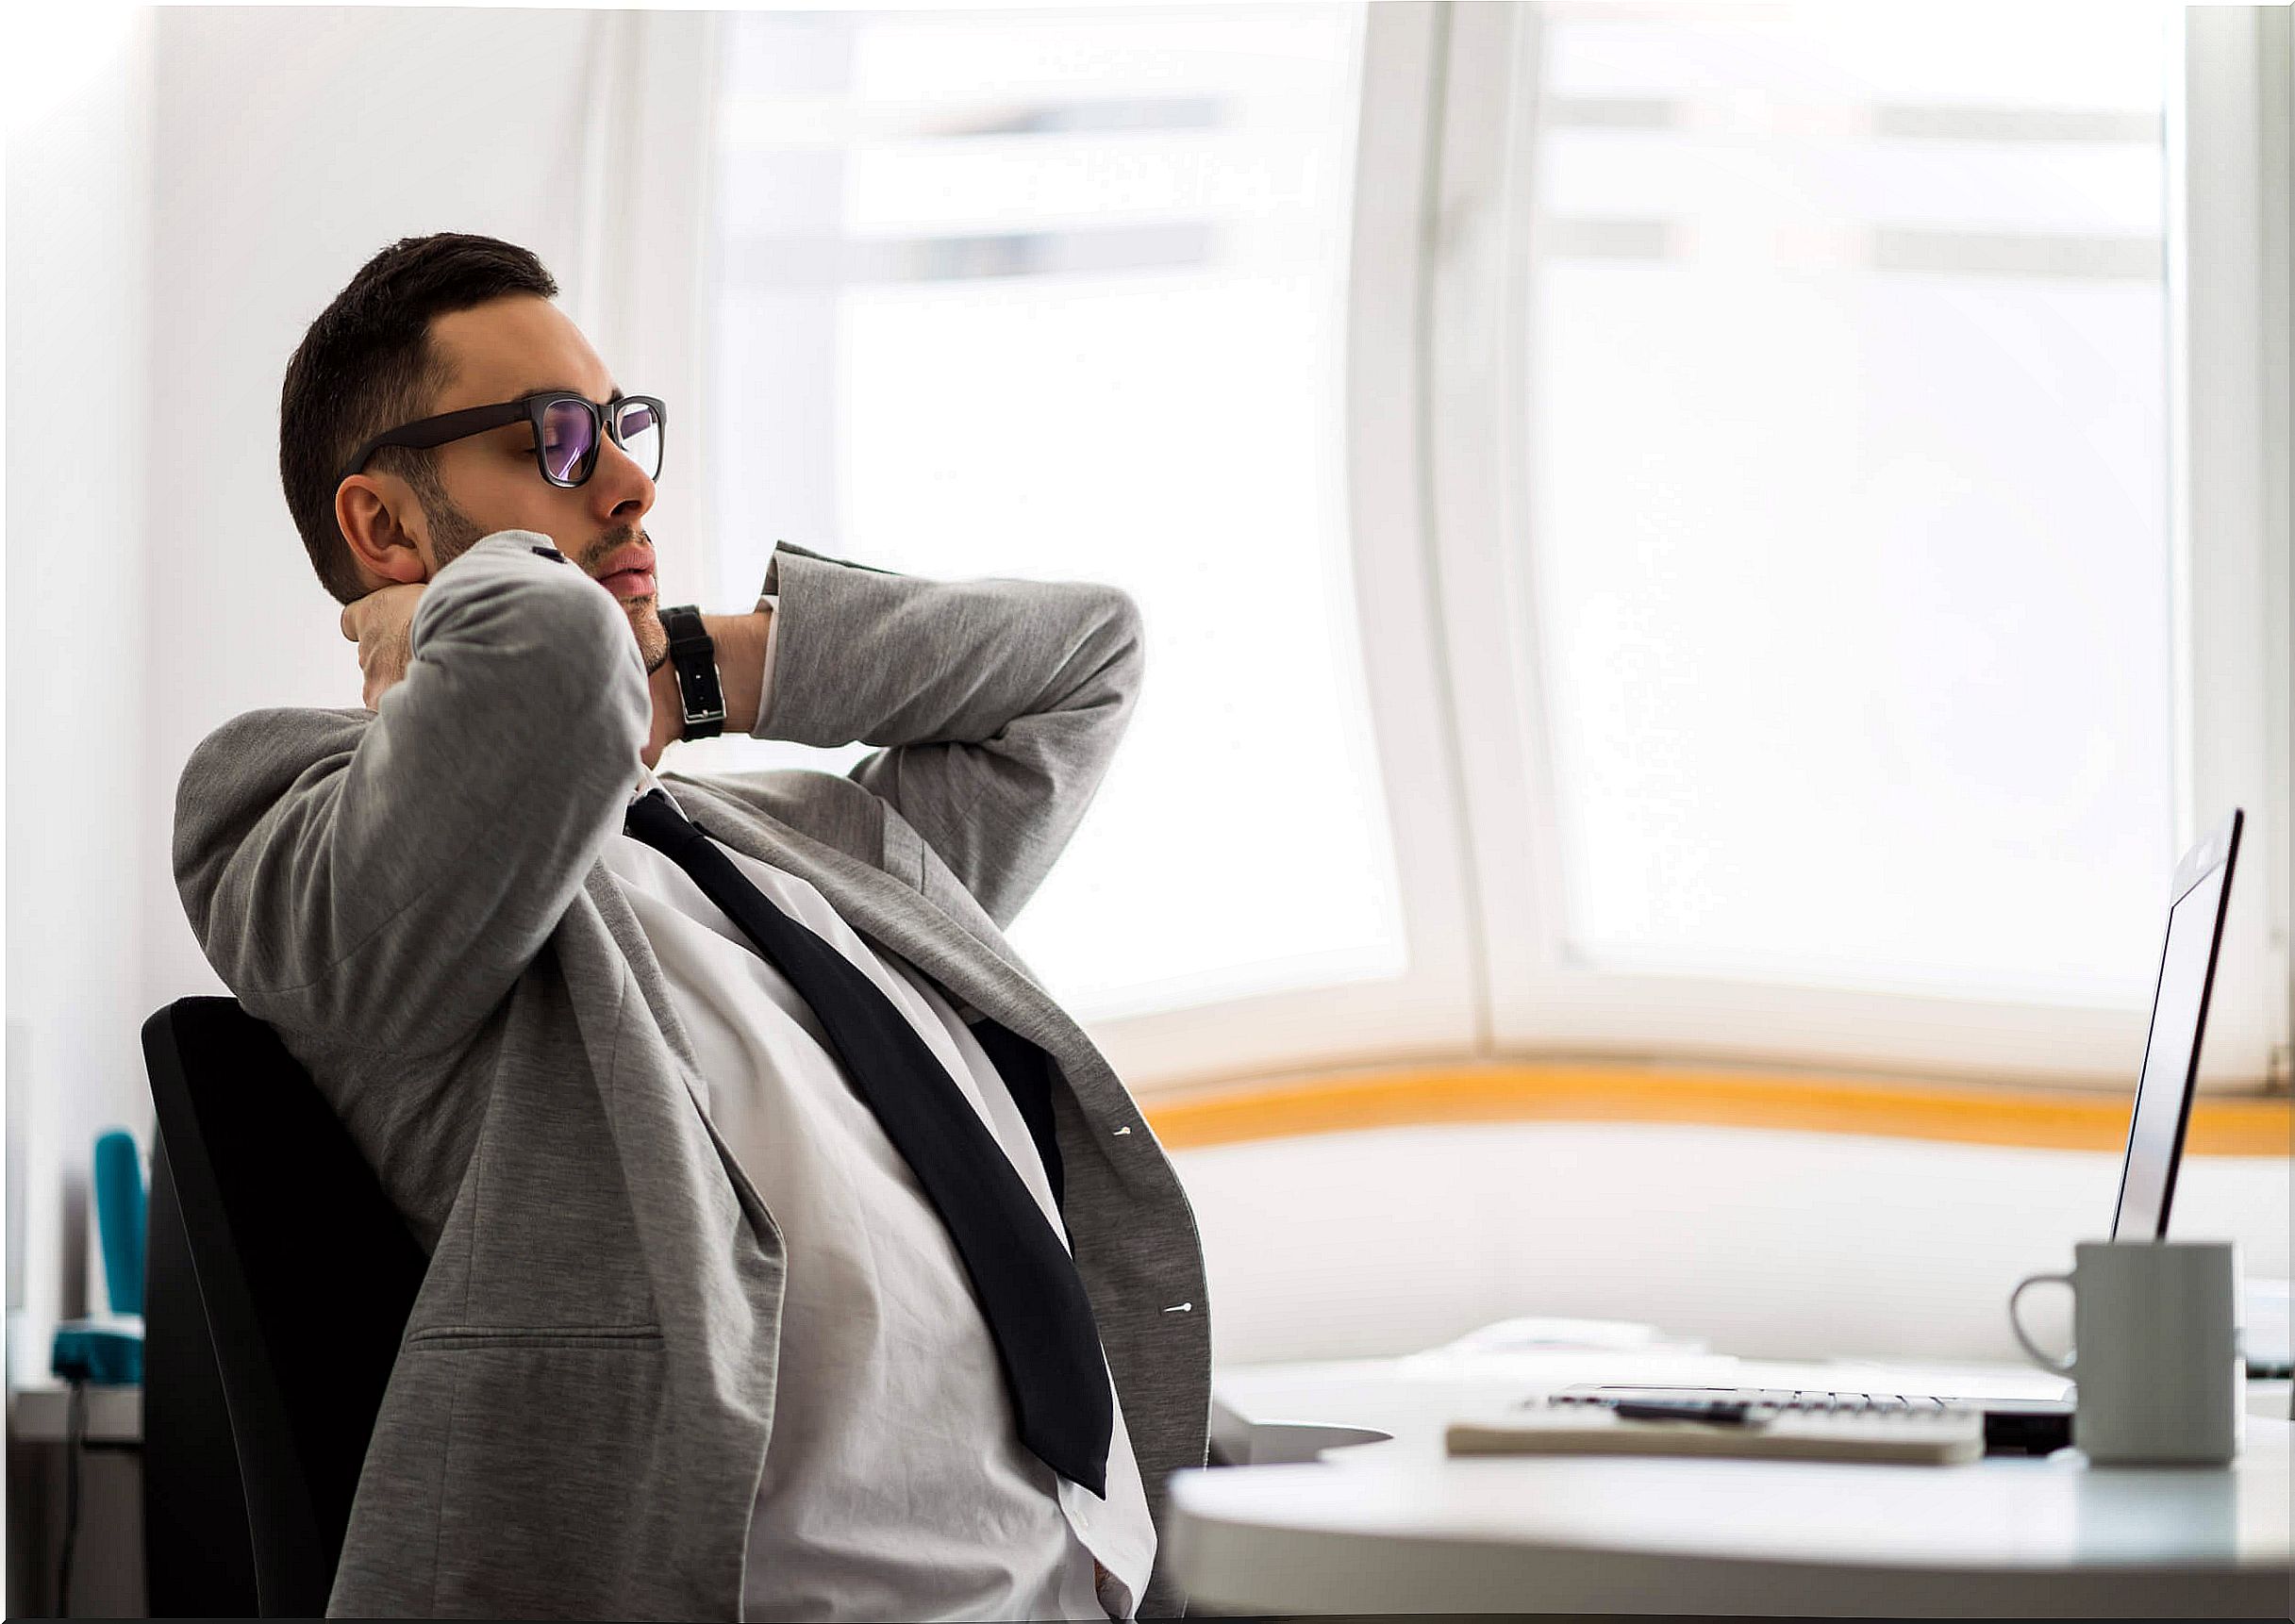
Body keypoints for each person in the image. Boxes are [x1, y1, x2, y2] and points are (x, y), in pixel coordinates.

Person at [171, 232, 1211, 1620]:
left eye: (620, 427)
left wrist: (712, 668)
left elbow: (1086, 659)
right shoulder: (299, 822)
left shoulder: (802, 847)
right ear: (382, 528)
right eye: (548, 439)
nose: (626, 480)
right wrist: (473, 625)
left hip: (1084, 1590)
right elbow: (545, 671)